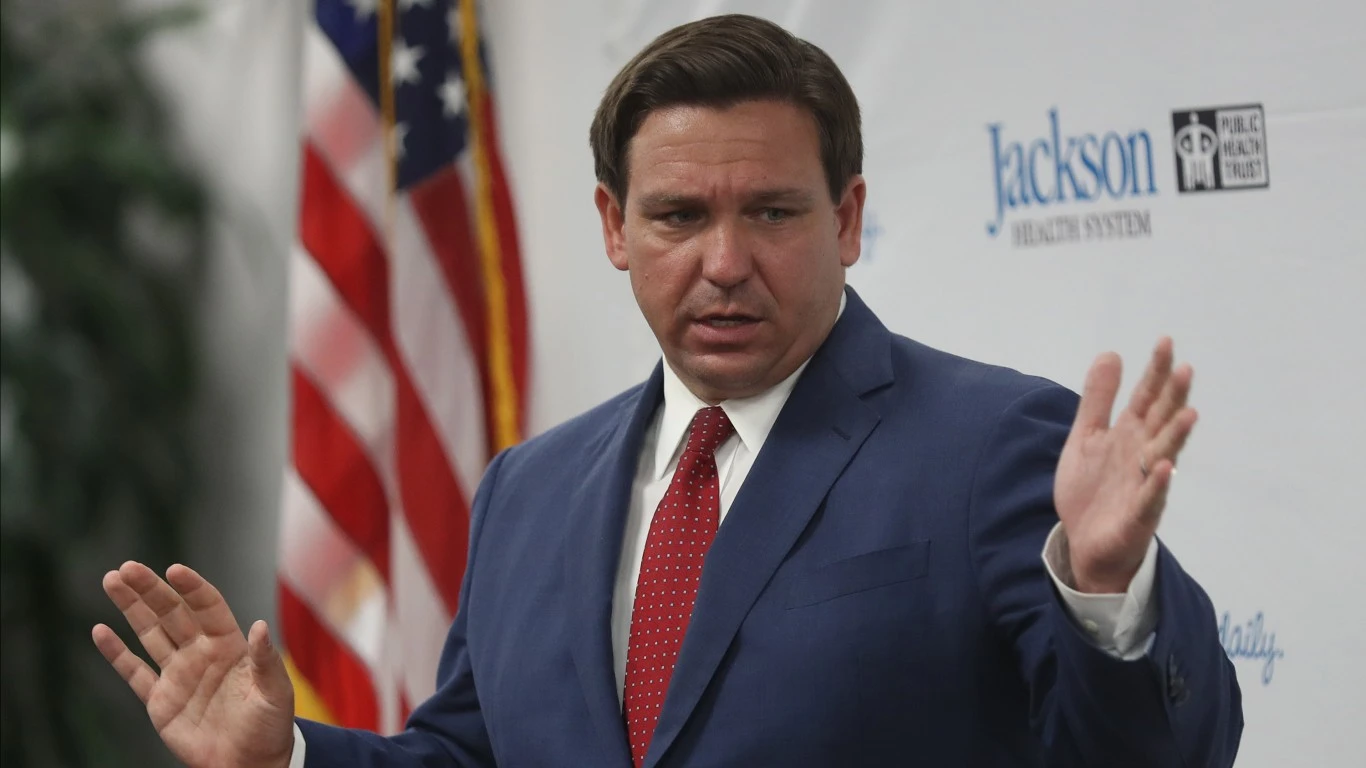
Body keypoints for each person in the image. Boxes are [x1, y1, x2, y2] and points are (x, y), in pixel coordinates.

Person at [93, 13, 1243, 768]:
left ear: (845, 219)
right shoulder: (527, 490)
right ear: (614, 227)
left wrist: (1108, 592)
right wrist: (287, 755)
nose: (724, 262)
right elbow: (473, 758)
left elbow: (1163, 752)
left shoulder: (993, 444)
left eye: (772, 213)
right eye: (679, 216)